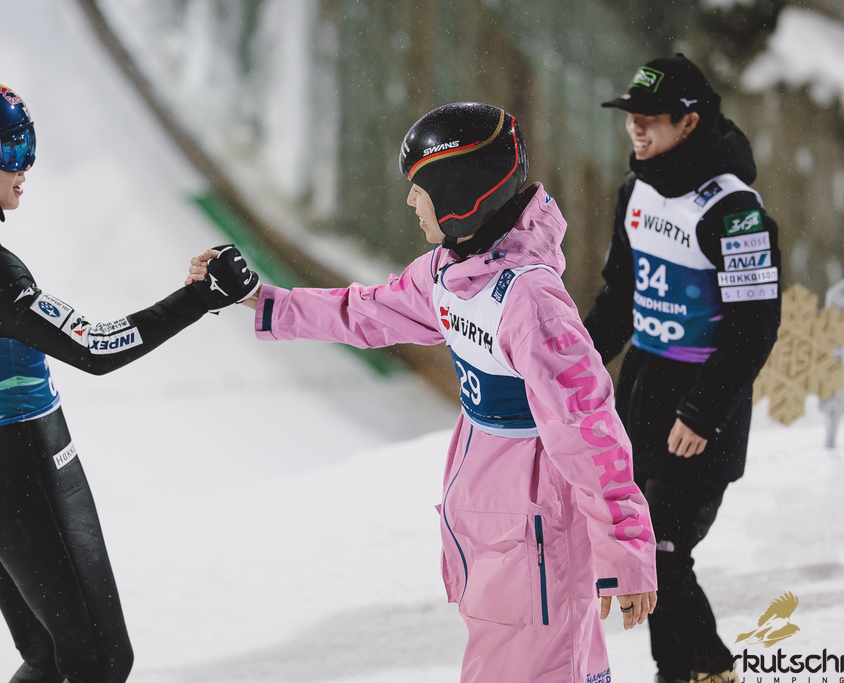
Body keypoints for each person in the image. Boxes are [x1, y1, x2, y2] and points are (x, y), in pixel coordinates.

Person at [188, 102, 657, 683]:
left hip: (536, 537)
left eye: (421, 187)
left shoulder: (529, 302)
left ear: (460, 194)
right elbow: (366, 313)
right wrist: (263, 300)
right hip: (498, 523)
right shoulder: (450, 274)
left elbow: (588, 428)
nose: (411, 201)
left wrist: (625, 548)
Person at [0, 78, 259, 683]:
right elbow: (95, 348)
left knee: (49, 660)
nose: (26, 166)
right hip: (29, 467)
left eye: (28, 145)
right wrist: (202, 296)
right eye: (11, 151)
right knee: (100, 661)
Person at [585, 54, 782, 683]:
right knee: (642, 551)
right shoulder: (635, 191)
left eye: (650, 118)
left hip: (702, 406)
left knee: (663, 552)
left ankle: (710, 670)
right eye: (630, 117)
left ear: (689, 122)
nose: (636, 128)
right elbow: (620, 298)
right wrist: (572, 368)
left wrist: (701, 411)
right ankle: (677, 673)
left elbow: (754, 330)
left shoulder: (735, 210)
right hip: (643, 390)